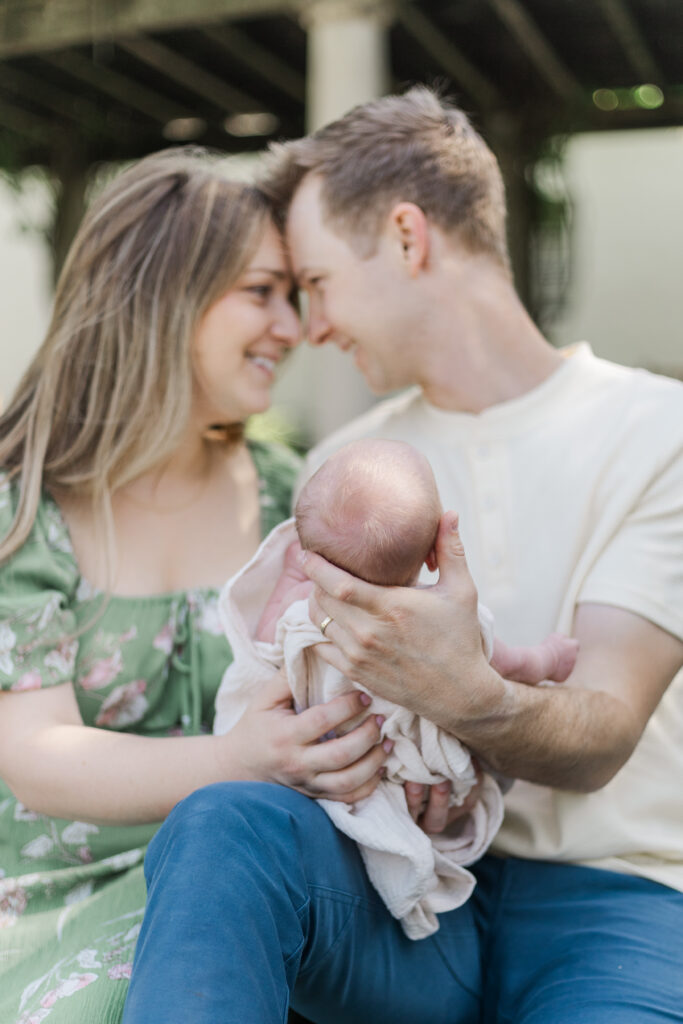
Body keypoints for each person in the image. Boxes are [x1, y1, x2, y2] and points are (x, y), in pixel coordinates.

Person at [123, 89, 683, 1024]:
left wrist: (460, 692)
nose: (310, 326)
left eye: (318, 281)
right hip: (408, 891)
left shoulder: (659, 434)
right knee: (224, 821)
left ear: (407, 236)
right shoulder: (349, 470)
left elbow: (603, 734)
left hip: (617, 901)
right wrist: (321, 748)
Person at [0, 148, 391, 1024]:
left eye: (294, 295)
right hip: (45, 898)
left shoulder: (300, 499)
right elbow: (34, 758)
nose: (292, 327)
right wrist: (235, 760)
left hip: (246, 880)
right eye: (261, 292)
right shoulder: (23, 510)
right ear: (159, 296)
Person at [214, 437, 578, 940]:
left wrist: (292, 583)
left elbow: (261, 651)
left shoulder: (298, 611)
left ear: (305, 548)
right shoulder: (443, 627)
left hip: (327, 770)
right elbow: (500, 665)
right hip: (401, 770)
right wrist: (546, 659)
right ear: (434, 555)